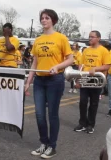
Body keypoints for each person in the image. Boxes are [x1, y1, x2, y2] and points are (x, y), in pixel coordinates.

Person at [25, 9, 73, 159]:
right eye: (42, 18)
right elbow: (35, 62)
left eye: (47, 18)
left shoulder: (61, 38)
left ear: (53, 20)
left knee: (52, 114)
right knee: (39, 114)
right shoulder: (38, 40)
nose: (44, 20)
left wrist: (57, 66)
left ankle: (52, 146)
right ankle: (43, 143)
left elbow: (71, 59)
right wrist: (28, 82)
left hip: (55, 80)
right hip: (39, 80)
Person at [74, 30, 111, 134]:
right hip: (85, 78)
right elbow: (81, 65)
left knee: (94, 103)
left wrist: (96, 68)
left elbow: (107, 65)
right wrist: (78, 79)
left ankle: (91, 124)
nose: (90, 38)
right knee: (83, 102)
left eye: (92, 37)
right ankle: (82, 123)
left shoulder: (104, 51)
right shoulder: (86, 50)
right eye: (89, 37)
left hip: (96, 80)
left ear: (98, 38)